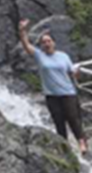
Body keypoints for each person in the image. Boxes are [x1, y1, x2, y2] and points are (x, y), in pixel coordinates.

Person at [18, 19, 88, 155]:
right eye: (44, 42)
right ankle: (65, 149)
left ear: (53, 43)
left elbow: (72, 74)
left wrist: (77, 74)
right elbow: (26, 44)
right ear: (41, 45)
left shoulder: (63, 56)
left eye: (49, 41)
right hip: (51, 95)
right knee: (58, 122)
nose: (46, 43)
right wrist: (22, 30)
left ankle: (82, 142)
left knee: (73, 118)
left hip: (68, 92)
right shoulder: (39, 56)